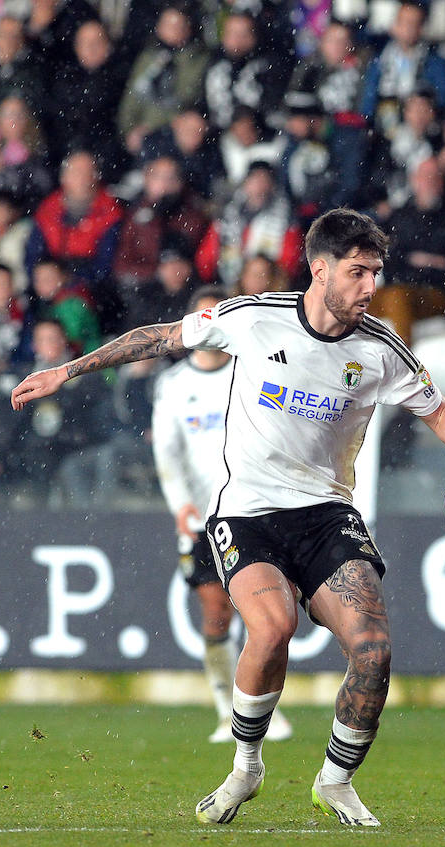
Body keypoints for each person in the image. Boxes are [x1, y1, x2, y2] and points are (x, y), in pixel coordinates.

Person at [10, 209, 445, 827]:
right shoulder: (253, 318)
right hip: (246, 512)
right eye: (358, 271)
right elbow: (160, 337)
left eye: (376, 271)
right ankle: (246, 765)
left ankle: (336, 782)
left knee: (373, 649)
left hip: (326, 515)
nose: (371, 286)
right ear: (320, 270)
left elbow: (442, 412)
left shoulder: (381, 349)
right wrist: (68, 370)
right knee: (272, 628)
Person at [152, 285, 294, 745]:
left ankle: (263, 709)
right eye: (202, 317)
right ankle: (223, 710)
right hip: (203, 518)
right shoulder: (173, 385)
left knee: (269, 618)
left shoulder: (253, 371)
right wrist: (180, 505)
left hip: (254, 510)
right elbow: (167, 453)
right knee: (216, 614)